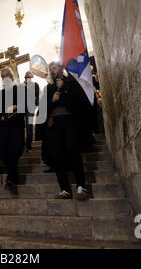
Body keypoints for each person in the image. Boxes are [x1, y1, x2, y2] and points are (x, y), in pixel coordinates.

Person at [46, 62, 91, 200]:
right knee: (57, 156)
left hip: (69, 123)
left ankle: (81, 186)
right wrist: (51, 100)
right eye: (50, 69)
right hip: (54, 125)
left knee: (73, 152)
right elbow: (43, 108)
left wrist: (64, 88)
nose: (53, 71)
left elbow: (77, 102)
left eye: (55, 68)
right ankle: (64, 188)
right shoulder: (49, 88)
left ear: (61, 69)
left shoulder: (71, 82)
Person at [0, 67, 25, 190]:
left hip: (16, 125)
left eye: (7, 75)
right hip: (2, 127)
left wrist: (15, 106)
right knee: (1, 152)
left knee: (14, 151)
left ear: (12, 77)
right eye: (3, 76)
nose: (5, 77)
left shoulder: (19, 89)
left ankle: (10, 178)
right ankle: (14, 174)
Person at [24, 71, 40, 151]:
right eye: (27, 73)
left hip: (30, 107)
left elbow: (36, 96)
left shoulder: (35, 85)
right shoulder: (21, 85)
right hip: (21, 108)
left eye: (30, 73)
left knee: (29, 126)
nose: (28, 73)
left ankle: (28, 145)